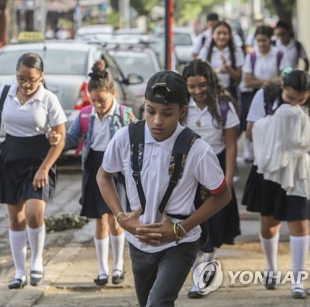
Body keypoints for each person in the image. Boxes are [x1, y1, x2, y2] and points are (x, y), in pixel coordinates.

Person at [96, 70, 232, 306]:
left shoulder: (197, 149)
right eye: (150, 111)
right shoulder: (125, 137)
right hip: (137, 242)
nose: (157, 120)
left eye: (167, 113)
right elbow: (103, 176)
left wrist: (181, 229)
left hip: (181, 243)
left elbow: (222, 195)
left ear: (182, 111)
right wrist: (121, 217)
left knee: (157, 303)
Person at [0, 53, 67, 289]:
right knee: (15, 217)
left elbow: (60, 139)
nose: (26, 84)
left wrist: (45, 168)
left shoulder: (48, 99)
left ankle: (37, 260)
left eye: (31, 79)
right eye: (21, 78)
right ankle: (19, 271)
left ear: (41, 77)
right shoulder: (4, 93)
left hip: (38, 160)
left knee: (33, 213)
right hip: (10, 158)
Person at [242, 69, 310, 299]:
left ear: (308, 95)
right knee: (269, 222)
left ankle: (298, 280)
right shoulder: (265, 97)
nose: (295, 103)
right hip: (269, 166)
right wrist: (277, 124)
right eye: (290, 99)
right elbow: (250, 132)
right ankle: (271, 268)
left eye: (301, 100)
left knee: (300, 223)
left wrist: (300, 123)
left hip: (299, 170)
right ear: (282, 88)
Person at [50, 60, 134, 286]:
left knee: (118, 219)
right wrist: (57, 140)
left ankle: (118, 266)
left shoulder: (126, 116)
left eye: (102, 100)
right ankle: (102, 270)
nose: (98, 105)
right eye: (93, 100)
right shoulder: (86, 115)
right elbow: (72, 139)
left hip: (117, 170)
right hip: (94, 168)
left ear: (113, 93)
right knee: (99, 222)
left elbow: (136, 144)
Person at [181, 59, 241, 298]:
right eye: (192, 87)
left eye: (202, 86)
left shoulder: (223, 105)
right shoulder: (182, 106)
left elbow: (231, 144)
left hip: (215, 168)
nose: (197, 92)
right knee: (193, 224)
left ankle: (204, 273)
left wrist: (228, 177)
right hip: (189, 172)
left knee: (212, 228)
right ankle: (199, 276)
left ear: (210, 82)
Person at [241, 25, 289, 162]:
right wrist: (270, 81)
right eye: (258, 41)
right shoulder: (252, 57)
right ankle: (250, 151)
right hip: (257, 94)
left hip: (275, 95)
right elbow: (247, 82)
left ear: (270, 39)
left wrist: (260, 81)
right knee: (253, 122)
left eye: (264, 40)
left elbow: (284, 77)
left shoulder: (279, 55)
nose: (261, 44)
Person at [198, 21, 245, 101]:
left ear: (230, 35)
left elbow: (238, 77)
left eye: (225, 33)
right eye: (218, 33)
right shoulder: (205, 51)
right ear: (212, 34)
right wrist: (217, 71)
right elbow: (200, 74)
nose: (222, 36)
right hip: (210, 93)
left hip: (230, 93)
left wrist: (228, 69)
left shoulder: (236, 51)